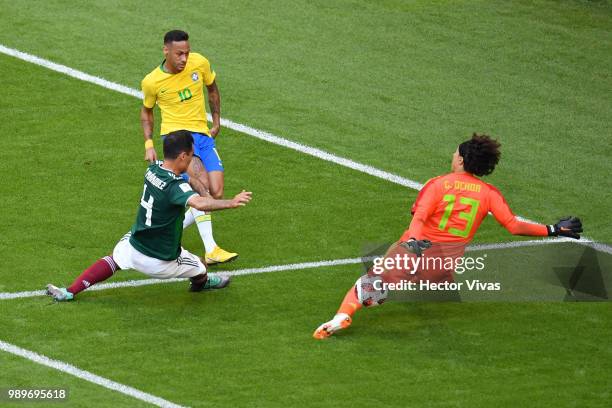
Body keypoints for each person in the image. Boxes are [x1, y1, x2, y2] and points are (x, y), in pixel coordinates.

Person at [313, 133, 582, 339]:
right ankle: (391, 286)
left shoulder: (438, 183)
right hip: (444, 267)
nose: (453, 155)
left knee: (370, 279)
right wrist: (554, 229)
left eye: (456, 153)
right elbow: (513, 225)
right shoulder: (489, 194)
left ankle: (340, 317)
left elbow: (418, 217)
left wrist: (414, 243)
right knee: (419, 274)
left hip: (414, 253)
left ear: (462, 160)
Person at [46, 131, 252, 301]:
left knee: (114, 259)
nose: (191, 160)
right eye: (190, 156)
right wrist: (230, 203)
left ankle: (69, 292)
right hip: (161, 259)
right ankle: (202, 283)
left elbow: (187, 180)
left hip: (136, 241)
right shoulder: (175, 186)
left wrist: (196, 183)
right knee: (200, 265)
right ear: (182, 156)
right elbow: (198, 202)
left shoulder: (153, 169)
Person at [140, 29, 236, 265]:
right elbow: (147, 111)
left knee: (216, 192)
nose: (184, 59)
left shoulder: (199, 63)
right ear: (166, 51)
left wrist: (216, 120)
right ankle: (211, 249)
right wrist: (149, 143)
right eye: (179, 54)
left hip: (202, 136)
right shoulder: (152, 81)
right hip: (178, 138)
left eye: (187, 53)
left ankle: (163, 231)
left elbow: (212, 88)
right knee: (201, 189)